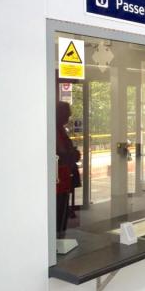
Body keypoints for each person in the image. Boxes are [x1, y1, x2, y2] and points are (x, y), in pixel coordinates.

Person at [56, 101, 81, 236]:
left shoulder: (60, 130)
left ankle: (60, 235)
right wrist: (73, 154)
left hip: (63, 178)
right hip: (59, 179)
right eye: (67, 114)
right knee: (59, 211)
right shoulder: (55, 131)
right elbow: (61, 154)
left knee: (62, 211)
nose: (69, 117)